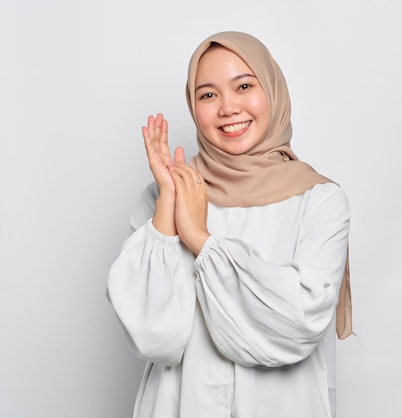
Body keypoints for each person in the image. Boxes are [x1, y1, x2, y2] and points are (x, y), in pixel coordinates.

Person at [107, 31, 352, 418]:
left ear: (272, 90)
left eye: (243, 86)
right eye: (207, 94)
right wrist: (169, 207)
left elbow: (298, 323)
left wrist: (200, 240)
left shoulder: (319, 200)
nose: (228, 108)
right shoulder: (162, 197)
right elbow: (154, 337)